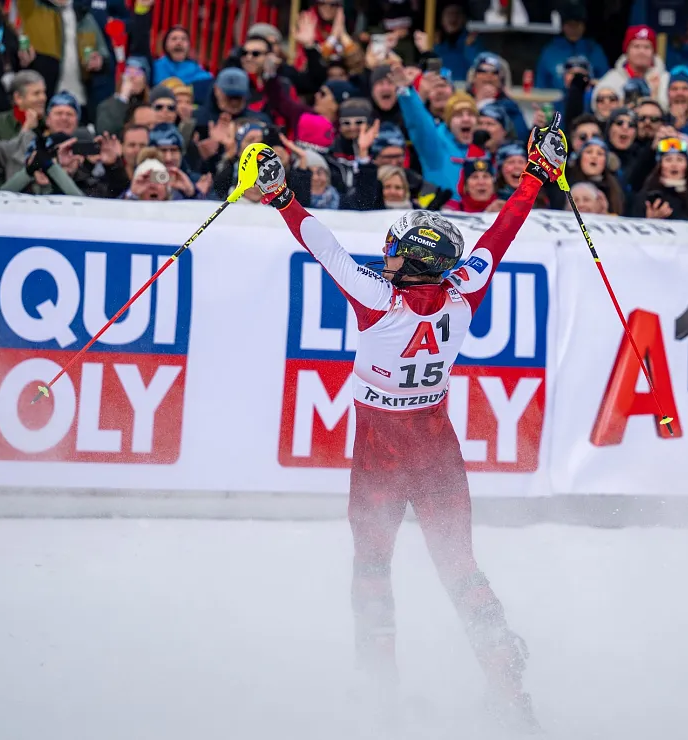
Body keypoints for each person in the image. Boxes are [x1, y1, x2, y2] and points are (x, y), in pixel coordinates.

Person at [243, 120, 569, 733]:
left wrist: (281, 194)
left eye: (395, 249)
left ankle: (379, 690)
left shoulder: (377, 298)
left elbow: (323, 246)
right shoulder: (463, 290)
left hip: (380, 454)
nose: (386, 254)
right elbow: (500, 234)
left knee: (372, 565)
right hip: (438, 449)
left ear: (414, 260)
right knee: (461, 568)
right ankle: (508, 685)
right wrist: (536, 174)